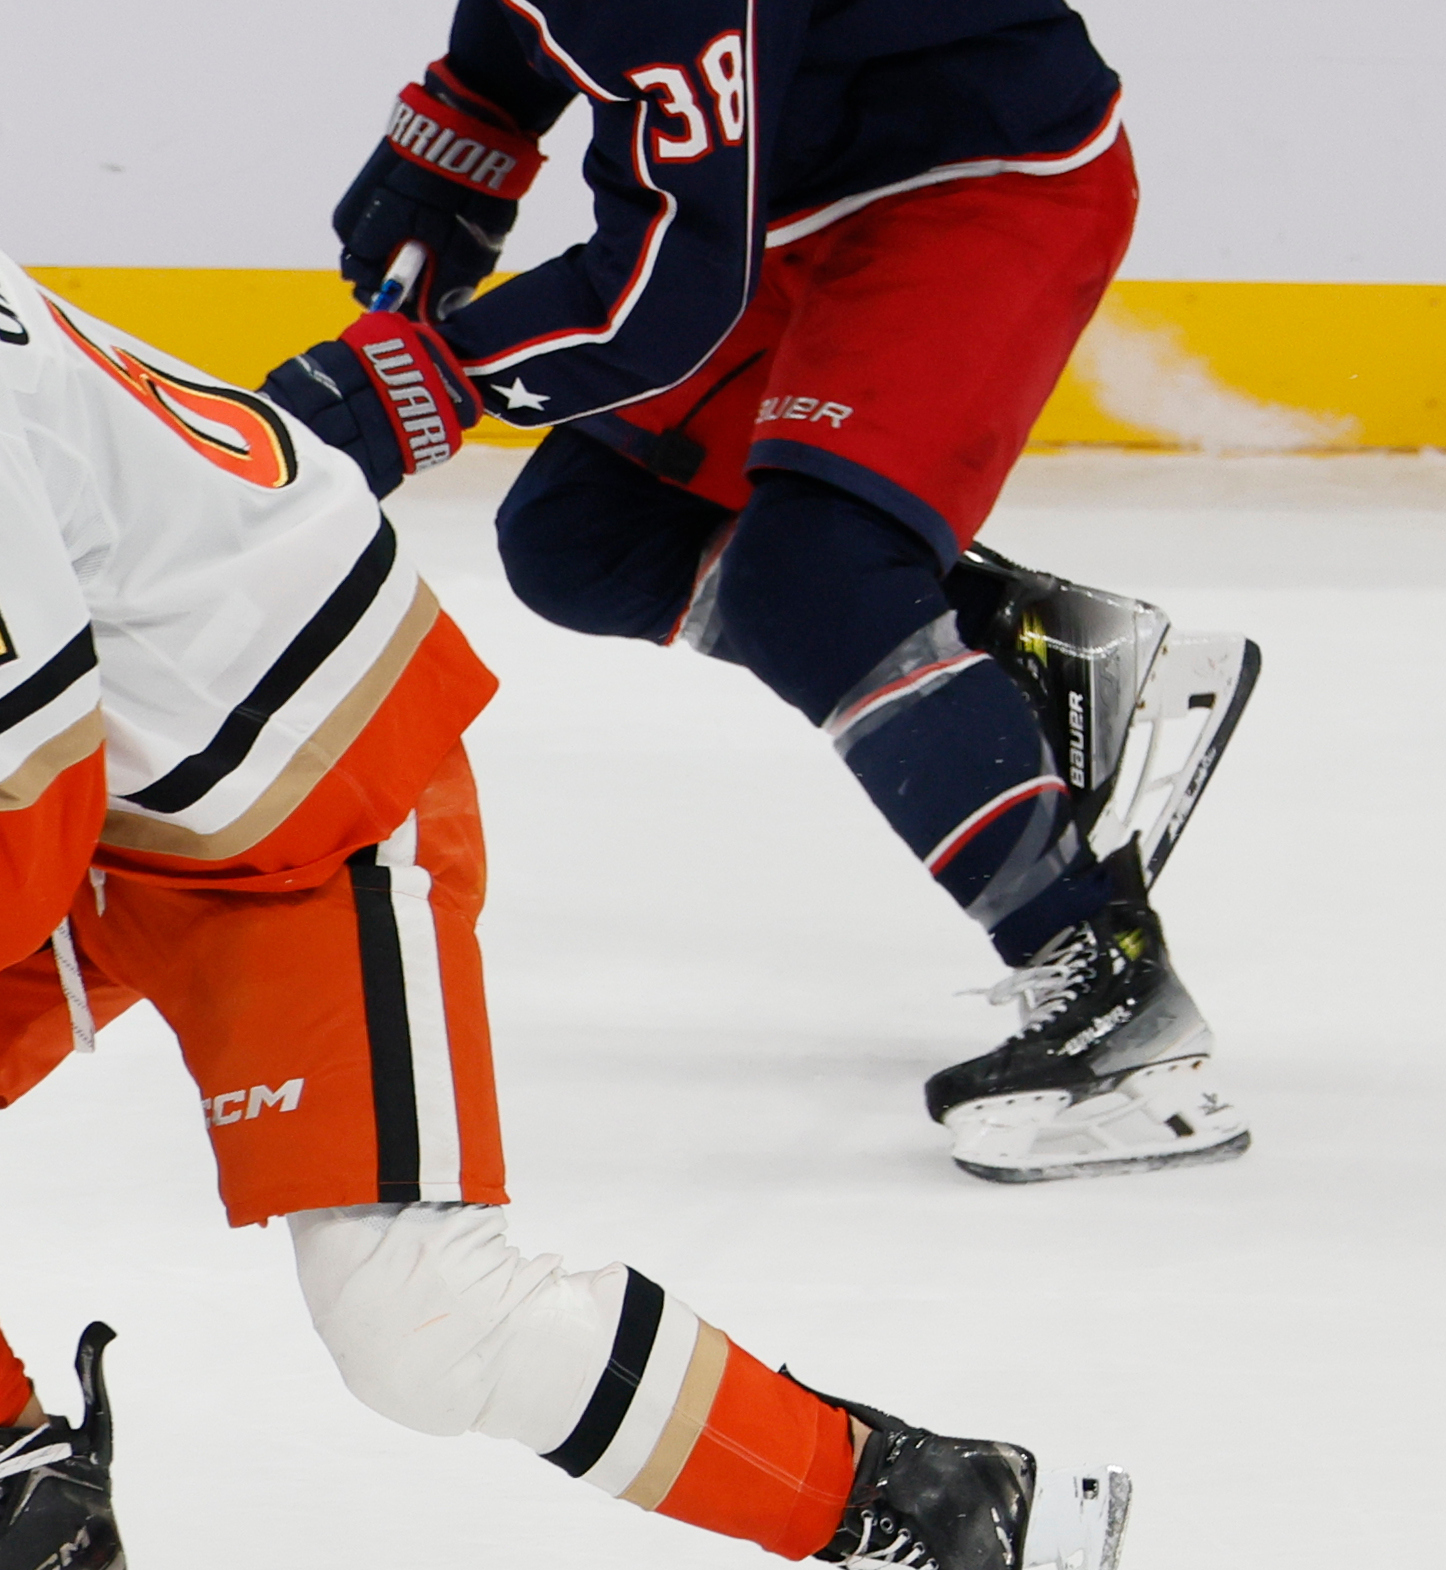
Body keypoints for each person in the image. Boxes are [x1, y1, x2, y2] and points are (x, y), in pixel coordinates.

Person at [0, 58, 1121, 1570]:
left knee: (412, 1316)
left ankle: (931, 1506)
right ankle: (23, 1519)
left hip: (296, 798)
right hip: (85, 783)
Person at [258, 2, 1257, 1182]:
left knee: (808, 575)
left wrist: (424, 379)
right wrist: (468, 129)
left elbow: (657, 308)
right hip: (791, 197)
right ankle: (1032, 662)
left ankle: (1113, 995)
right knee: (588, 534)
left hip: (982, 184)